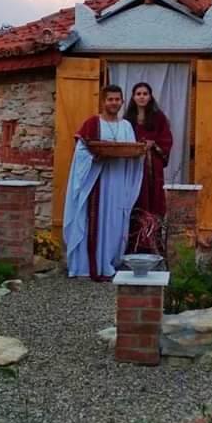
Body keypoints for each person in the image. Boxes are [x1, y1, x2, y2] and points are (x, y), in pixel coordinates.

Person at [63, 84, 144, 280]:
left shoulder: (126, 126)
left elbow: (131, 152)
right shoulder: (92, 123)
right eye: (110, 99)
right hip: (95, 182)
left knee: (114, 224)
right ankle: (85, 265)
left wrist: (139, 153)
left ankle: (107, 264)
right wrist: (94, 157)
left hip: (117, 182)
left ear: (122, 101)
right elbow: (81, 151)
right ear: (103, 101)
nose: (114, 103)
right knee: (92, 221)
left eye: (117, 99)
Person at [124, 82, 174, 220]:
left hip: (153, 165)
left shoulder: (159, 118)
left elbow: (166, 139)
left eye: (145, 94)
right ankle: (134, 238)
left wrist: (154, 145)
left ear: (150, 97)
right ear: (133, 97)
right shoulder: (127, 120)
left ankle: (152, 237)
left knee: (154, 199)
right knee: (136, 197)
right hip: (134, 164)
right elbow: (122, 139)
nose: (142, 97)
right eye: (138, 94)